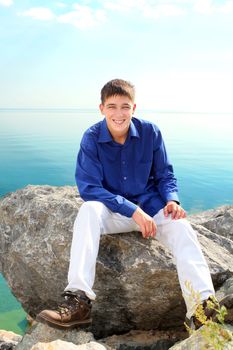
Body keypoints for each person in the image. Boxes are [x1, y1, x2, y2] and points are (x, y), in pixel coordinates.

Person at [37, 78, 216, 329]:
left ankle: (202, 310)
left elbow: (165, 174)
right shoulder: (90, 138)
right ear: (102, 109)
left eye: (125, 106)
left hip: (153, 209)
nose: (118, 113)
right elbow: (90, 188)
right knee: (88, 210)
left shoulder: (150, 132)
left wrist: (172, 200)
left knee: (182, 227)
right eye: (112, 106)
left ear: (134, 107)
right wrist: (133, 211)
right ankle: (79, 301)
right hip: (113, 212)